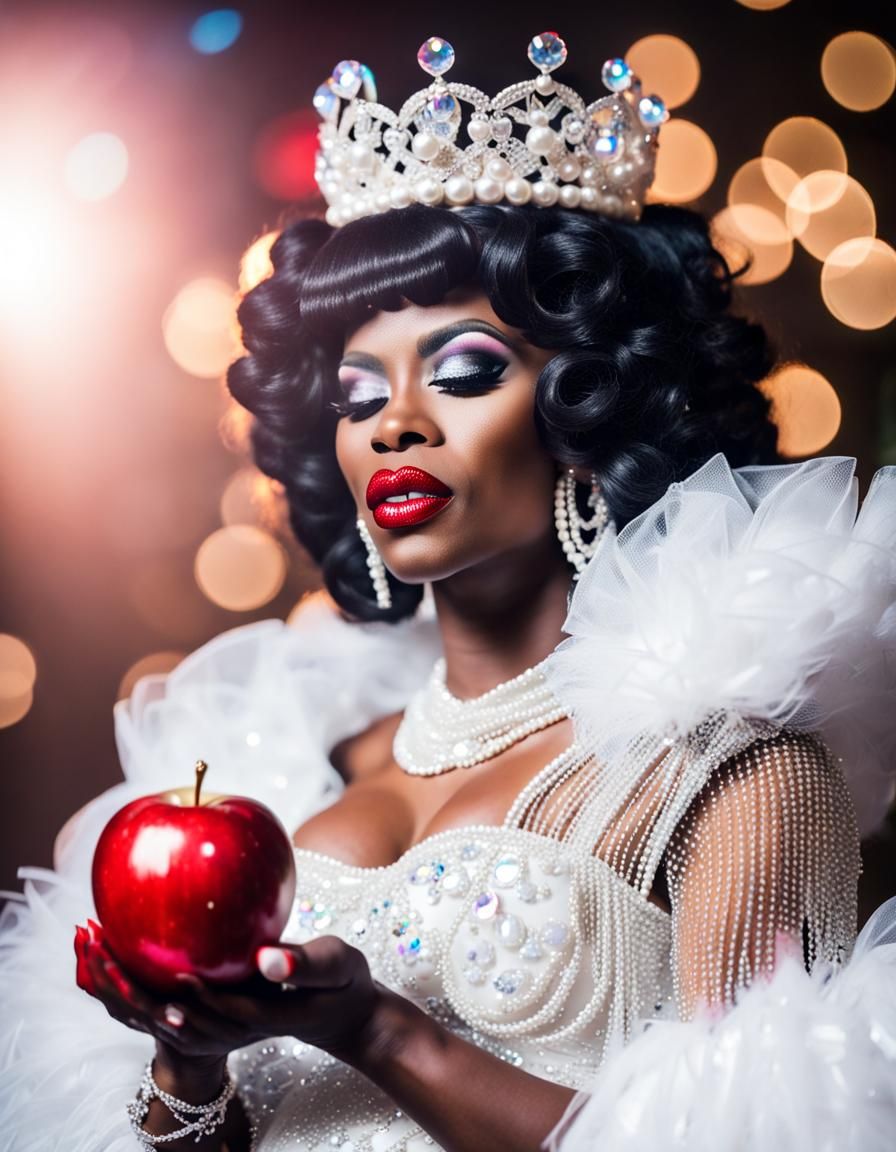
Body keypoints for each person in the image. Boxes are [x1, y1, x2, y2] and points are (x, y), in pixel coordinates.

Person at [2, 32, 895, 1152]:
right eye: (353, 391)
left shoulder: (733, 776)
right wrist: (191, 1062)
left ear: (586, 409)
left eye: (464, 370)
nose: (392, 423)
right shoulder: (298, 762)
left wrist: (382, 1032)